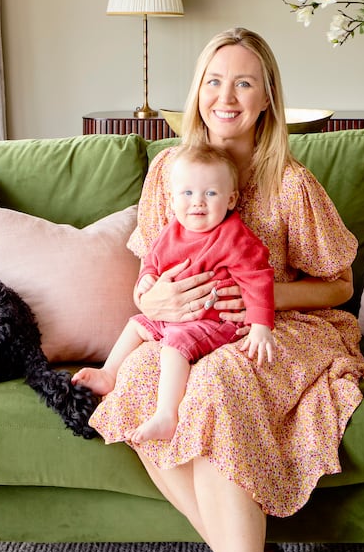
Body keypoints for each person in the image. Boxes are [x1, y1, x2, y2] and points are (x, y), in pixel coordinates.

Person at [88, 27, 364, 552]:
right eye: (215, 80)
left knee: (214, 383)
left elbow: (338, 285)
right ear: (197, 90)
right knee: (141, 386)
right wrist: (148, 303)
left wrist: (261, 299)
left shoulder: (291, 183)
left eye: (244, 82)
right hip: (183, 330)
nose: (226, 96)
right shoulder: (168, 172)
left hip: (278, 329)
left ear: (267, 99)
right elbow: (149, 278)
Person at [73, 143, 277, 444]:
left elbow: (259, 280)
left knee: (174, 345)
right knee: (137, 324)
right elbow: (153, 263)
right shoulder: (172, 231)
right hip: (173, 317)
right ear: (171, 199)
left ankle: (167, 415)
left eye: (210, 193)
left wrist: (261, 326)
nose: (198, 203)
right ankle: (109, 372)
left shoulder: (234, 237)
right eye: (188, 193)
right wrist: (147, 280)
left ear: (231, 199)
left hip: (215, 321)